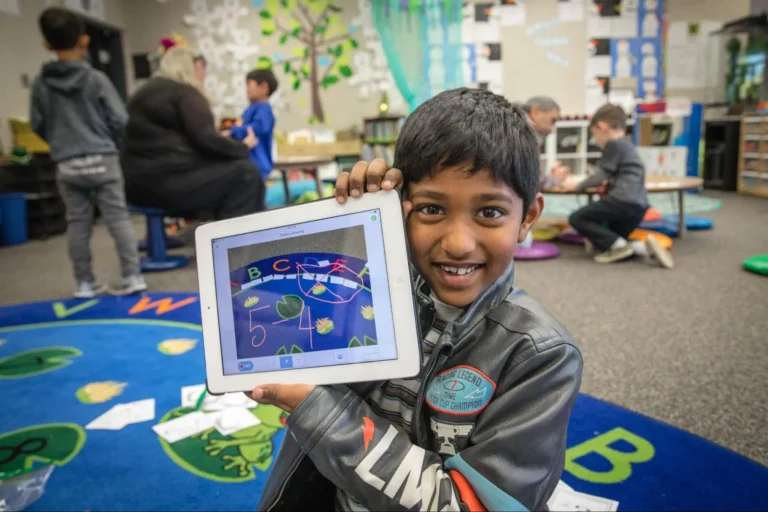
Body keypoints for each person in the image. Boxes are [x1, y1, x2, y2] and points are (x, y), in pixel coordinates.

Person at [248, 89, 583, 511]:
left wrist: (314, 408)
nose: (459, 244)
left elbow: (464, 505)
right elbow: (292, 286)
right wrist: (353, 221)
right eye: (431, 210)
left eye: (490, 212)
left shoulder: (540, 356)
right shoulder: (363, 292)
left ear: (528, 217)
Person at [30, 7, 146, 298]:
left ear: (46, 45)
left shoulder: (41, 84)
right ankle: (132, 276)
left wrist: (60, 142)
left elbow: (37, 123)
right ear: (84, 41)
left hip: (67, 164)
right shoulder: (97, 80)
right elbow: (120, 119)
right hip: (102, 158)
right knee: (118, 219)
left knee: (77, 223)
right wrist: (110, 141)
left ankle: (84, 283)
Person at [120, 47, 264, 220]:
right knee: (247, 173)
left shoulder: (143, 92)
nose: (204, 75)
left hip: (136, 186)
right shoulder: (184, 92)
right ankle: (236, 243)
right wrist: (242, 147)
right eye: (203, 69)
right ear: (194, 67)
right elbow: (206, 140)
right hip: (166, 184)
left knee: (229, 177)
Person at [563, 103, 674, 268]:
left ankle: (620, 247)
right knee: (611, 236)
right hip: (640, 206)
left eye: (595, 135)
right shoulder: (628, 145)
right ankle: (643, 248)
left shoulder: (614, 144)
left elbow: (599, 176)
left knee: (577, 218)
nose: (597, 141)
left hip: (622, 201)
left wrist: (577, 186)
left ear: (602, 127)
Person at [518, 96, 570, 249]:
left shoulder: (511, 122)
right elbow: (533, 179)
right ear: (535, 111)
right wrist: (555, 179)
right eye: (552, 120)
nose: (552, 129)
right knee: (524, 242)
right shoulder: (525, 132)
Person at [226, 69, 278, 182]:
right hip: (247, 163)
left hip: (258, 163)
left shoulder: (265, 108)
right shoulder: (250, 109)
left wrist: (233, 131)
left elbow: (259, 127)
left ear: (264, 87)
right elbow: (240, 123)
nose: (247, 89)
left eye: (249, 85)